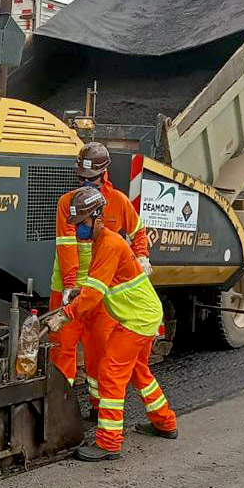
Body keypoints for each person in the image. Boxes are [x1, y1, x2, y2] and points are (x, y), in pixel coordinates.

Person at [46, 186, 177, 462]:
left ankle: (108, 443)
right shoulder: (103, 242)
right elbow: (96, 287)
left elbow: (93, 296)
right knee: (138, 370)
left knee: (110, 372)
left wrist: (64, 315)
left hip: (137, 319)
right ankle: (165, 422)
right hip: (139, 315)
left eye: (81, 223)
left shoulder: (108, 244)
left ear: (96, 217)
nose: (78, 230)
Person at [49, 142, 151, 410]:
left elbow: (139, 232)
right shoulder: (68, 204)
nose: (85, 183)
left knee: (100, 353)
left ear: (104, 173)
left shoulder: (117, 202)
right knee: (62, 353)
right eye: (81, 178)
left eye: (90, 178)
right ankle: (61, 411)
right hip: (68, 291)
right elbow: (66, 246)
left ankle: (98, 407)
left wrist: (142, 256)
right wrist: (71, 286)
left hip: (99, 295)